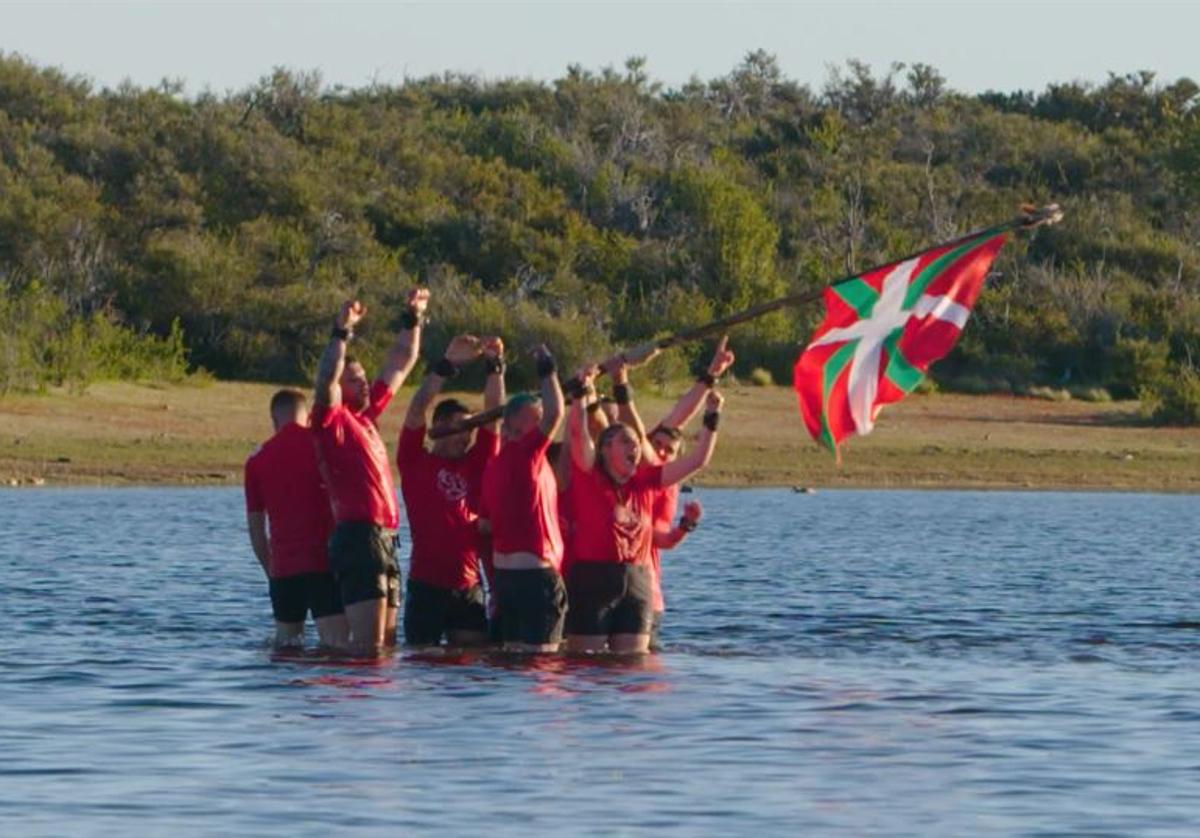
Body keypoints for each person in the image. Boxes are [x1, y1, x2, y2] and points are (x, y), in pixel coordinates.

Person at [564, 364, 724, 654]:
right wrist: (579, 396)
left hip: (637, 580)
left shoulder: (646, 481)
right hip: (594, 576)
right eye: (626, 442)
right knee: (586, 664)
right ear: (605, 449)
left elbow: (698, 460)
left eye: (637, 443)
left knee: (633, 666)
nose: (635, 448)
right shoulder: (590, 474)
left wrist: (712, 417)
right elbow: (578, 435)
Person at [311, 290, 428, 655]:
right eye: (354, 380)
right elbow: (326, 381)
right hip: (358, 537)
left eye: (363, 377)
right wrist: (341, 332)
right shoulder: (332, 421)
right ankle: (353, 704)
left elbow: (402, 360)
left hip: (386, 538)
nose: (363, 383)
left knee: (388, 646)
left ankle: (380, 708)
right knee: (368, 647)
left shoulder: (367, 416)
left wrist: (413, 316)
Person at [606, 336, 735, 649]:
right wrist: (710, 374)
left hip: (643, 588)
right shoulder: (632, 455)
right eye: (658, 445)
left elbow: (662, 539)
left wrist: (685, 526)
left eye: (669, 451)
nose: (661, 452)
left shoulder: (662, 484)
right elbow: (679, 414)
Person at [397, 334, 505, 647]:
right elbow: (417, 408)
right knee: (422, 661)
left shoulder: (475, 462)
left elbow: (494, 416)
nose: (466, 438)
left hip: (468, 585)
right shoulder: (414, 460)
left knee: (470, 664)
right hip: (425, 584)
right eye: (460, 429)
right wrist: (445, 367)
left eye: (470, 431)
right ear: (440, 428)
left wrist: (495, 366)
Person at [244, 388, 349, 648]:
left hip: (283, 566)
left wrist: (272, 572)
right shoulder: (322, 446)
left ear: (273, 419)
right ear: (307, 414)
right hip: (324, 562)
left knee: (287, 646)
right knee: (336, 645)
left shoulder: (257, 460)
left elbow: (257, 531)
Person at [479, 345, 566, 653]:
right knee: (541, 669)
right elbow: (557, 411)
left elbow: (486, 526)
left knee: (511, 666)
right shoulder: (526, 453)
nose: (546, 424)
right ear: (517, 426)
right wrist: (547, 367)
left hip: (505, 579)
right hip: (535, 576)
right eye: (537, 418)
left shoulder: (492, 465)